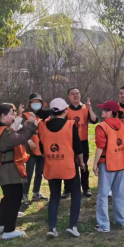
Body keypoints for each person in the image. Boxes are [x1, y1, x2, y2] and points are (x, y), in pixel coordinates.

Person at [0, 104, 37, 240]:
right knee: (14, 198)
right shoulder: (4, 132)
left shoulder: (0, 130)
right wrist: (31, 125)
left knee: (8, 198)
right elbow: (21, 138)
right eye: (11, 113)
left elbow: (18, 135)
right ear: (3, 116)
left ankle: (0, 225)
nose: (13, 116)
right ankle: (9, 230)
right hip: (9, 170)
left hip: (5, 169)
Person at [38, 98, 86, 238]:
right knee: (76, 194)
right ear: (65, 110)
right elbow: (78, 147)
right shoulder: (70, 125)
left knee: (54, 196)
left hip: (51, 166)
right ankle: (72, 226)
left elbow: (42, 148)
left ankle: (52, 228)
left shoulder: (42, 126)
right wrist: (82, 162)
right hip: (68, 166)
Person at [93, 100, 124, 232]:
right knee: (119, 194)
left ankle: (104, 225)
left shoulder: (102, 126)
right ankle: (122, 221)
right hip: (119, 163)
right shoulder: (122, 125)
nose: (101, 111)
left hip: (107, 164)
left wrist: (95, 163)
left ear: (110, 112)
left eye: (104, 109)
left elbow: (100, 147)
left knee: (102, 196)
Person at [64, 87, 98, 198]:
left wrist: (90, 109)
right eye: (72, 94)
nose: (75, 95)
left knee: (84, 166)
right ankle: (67, 189)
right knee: (69, 165)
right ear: (68, 96)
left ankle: (86, 188)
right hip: (70, 142)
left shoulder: (85, 108)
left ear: (80, 95)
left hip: (83, 141)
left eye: (77, 93)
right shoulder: (66, 110)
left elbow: (94, 120)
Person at [22, 93, 48, 206]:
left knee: (39, 172)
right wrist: (28, 140)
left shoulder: (45, 116)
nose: (36, 104)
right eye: (34, 102)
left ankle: (36, 192)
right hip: (30, 149)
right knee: (28, 173)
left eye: (38, 102)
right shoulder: (25, 115)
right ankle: (24, 195)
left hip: (42, 149)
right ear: (30, 104)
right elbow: (20, 131)